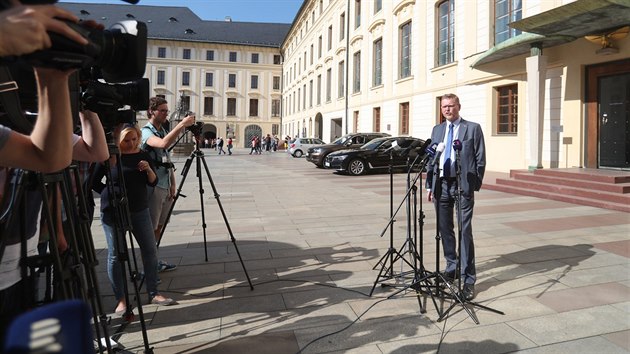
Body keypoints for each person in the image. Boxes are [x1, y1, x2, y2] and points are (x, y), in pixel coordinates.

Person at [93, 125, 175, 312]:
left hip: (140, 209)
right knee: (116, 255)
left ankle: (154, 292)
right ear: (118, 140)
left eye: (133, 139)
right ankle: (121, 299)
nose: (130, 144)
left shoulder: (143, 155)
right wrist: (111, 193)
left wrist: (148, 170)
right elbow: (94, 182)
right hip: (113, 211)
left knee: (150, 250)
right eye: (126, 140)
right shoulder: (109, 156)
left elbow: (153, 181)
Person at [425, 93, 486, 301]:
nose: (447, 110)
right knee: (445, 230)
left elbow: (480, 159)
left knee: (464, 231)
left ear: (458, 106)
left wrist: (472, 186)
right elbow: (431, 159)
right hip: (441, 185)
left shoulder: (473, 128)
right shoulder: (437, 129)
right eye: (444, 107)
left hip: (462, 186)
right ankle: (452, 267)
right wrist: (429, 185)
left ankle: (468, 279)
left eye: (451, 106)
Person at [141, 96, 194, 272]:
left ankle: (154, 260)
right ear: (151, 111)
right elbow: (163, 145)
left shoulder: (162, 131)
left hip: (165, 185)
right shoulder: (146, 132)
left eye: (166, 111)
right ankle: (148, 265)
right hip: (153, 187)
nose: (165, 114)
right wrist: (181, 125)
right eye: (162, 111)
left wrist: (173, 183)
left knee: (161, 225)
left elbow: (167, 160)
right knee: (151, 227)